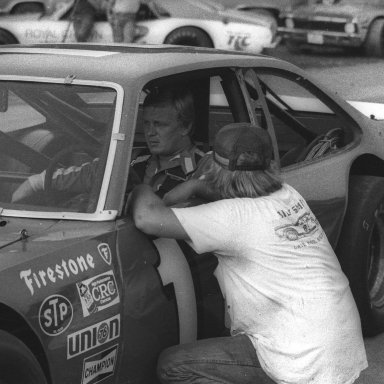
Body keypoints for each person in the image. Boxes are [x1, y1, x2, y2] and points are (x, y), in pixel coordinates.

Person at [129, 122, 368, 384]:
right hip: (337, 346)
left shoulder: (231, 217)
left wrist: (141, 186)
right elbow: (236, 200)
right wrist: (197, 188)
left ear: (214, 168)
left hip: (300, 360)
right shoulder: (288, 195)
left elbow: (146, 217)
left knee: (173, 365)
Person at [11, 86, 205, 203]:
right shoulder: (132, 157)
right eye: (147, 123)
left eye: (160, 124)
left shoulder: (203, 166)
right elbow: (82, 175)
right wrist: (34, 184)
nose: (150, 132)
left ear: (185, 127)